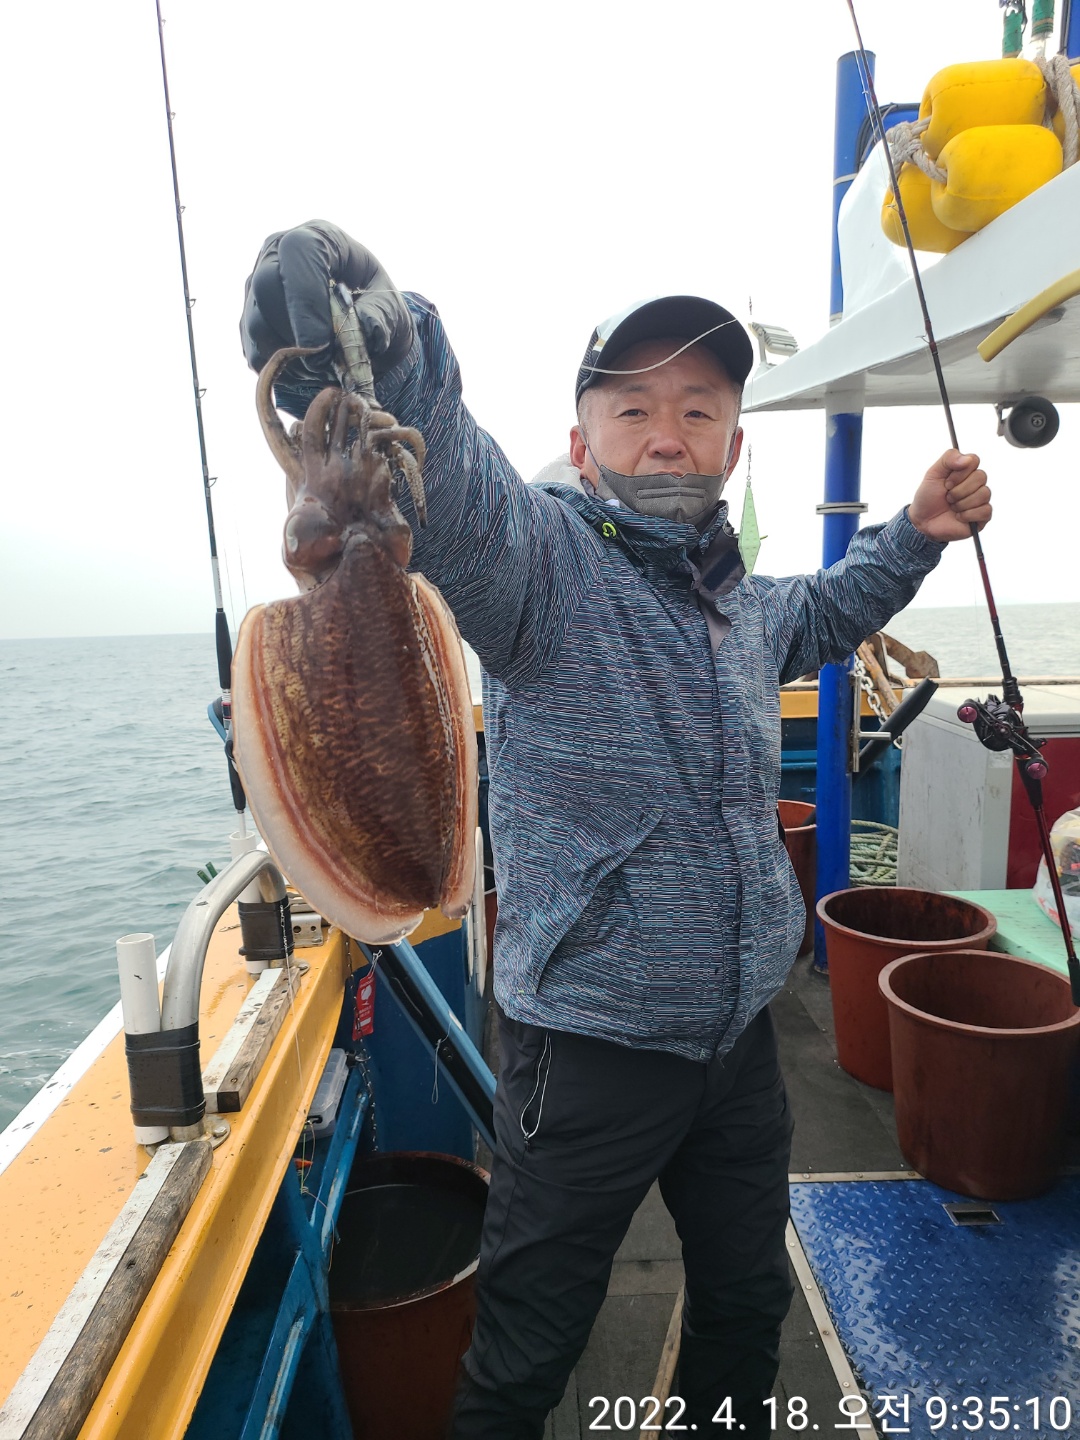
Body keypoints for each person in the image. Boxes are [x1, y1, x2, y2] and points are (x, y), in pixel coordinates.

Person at [241, 221, 992, 1439]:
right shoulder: (541, 571)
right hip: (585, 1057)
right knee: (525, 1355)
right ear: (584, 443)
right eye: (633, 408)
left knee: (748, 1307)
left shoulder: (742, 607)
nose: (667, 433)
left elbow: (831, 606)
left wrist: (913, 531)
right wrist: (388, 349)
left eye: (699, 411)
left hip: (738, 1046)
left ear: (735, 445)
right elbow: (458, 485)